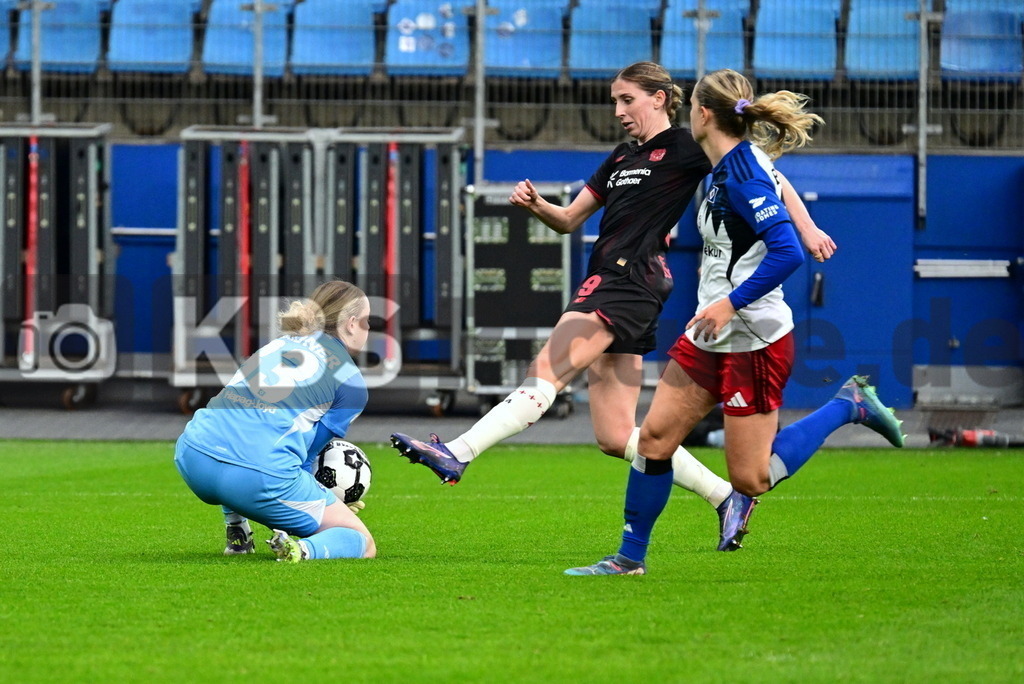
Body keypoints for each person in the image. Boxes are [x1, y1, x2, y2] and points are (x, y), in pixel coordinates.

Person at [391, 61, 836, 551]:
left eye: (627, 100)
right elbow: (568, 219)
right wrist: (539, 206)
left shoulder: (691, 147)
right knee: (615, 434)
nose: (619, 110)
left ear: (661, 99)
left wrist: (807, 227)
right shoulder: (621, 158)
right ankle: (725, 496)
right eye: (614, 101)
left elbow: (766, 175)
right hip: (615, 280)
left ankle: (458, 451)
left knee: (549, 369)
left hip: (627, 282)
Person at [565, 69, 905, 576]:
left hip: (755, 338)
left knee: (752, 479)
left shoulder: (741, 173)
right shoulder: (726, 163)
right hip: (708, 335)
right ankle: (627, 559)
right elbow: (781, 183)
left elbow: (786, 253)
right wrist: (806, 225)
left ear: (703, 114)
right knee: (655, 441)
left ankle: (847, 406)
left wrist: (731, 301)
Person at [174, 279, 376, 562]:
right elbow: (306, 457)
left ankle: (237, 531)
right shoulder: (352, 385)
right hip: (255, 480)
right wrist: (328, 501)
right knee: (363, 543)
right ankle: (300, 550)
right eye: (367, 321)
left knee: (242, 432)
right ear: (352, 323)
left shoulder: (277, 345)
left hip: (192, 457)